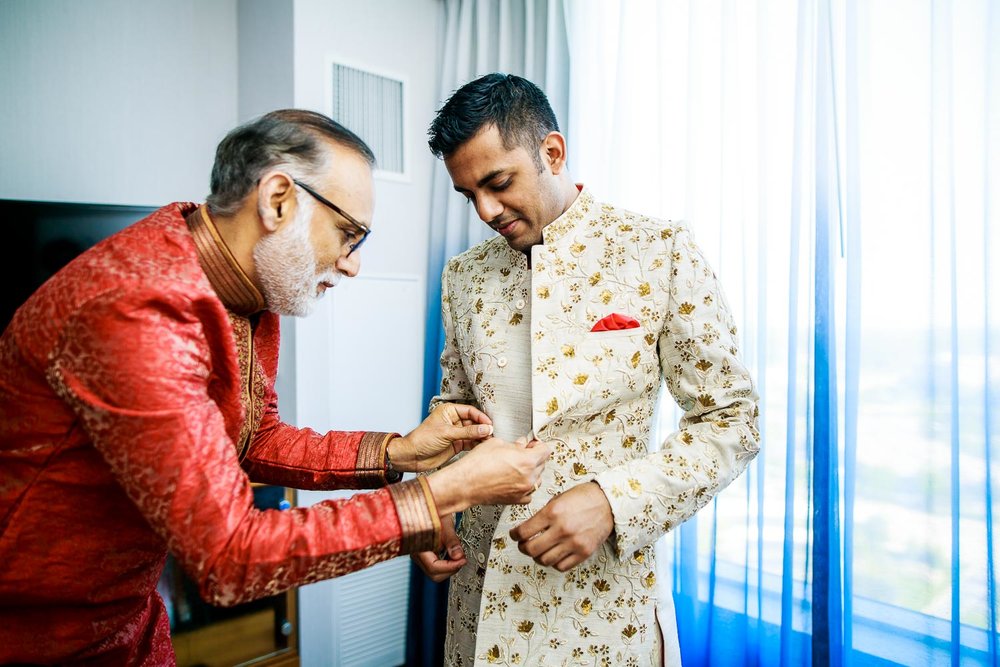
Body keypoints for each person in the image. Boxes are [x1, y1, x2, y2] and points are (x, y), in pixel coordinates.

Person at [0, 109, 551, 665]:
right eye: (348, 234)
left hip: (128, 621)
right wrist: (446, 493)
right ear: (278, 200)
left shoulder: (243, 288)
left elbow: (255, 438)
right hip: (38, 635)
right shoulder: (139, 312)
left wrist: (400, 450)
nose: (353, 265)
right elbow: (229, 560)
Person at [414, 73, 760, 665]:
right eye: (468, 194)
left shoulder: (659, 251)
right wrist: (434, 503)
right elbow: (456, 410)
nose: (485, 210)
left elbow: (733, 421)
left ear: (552, 152)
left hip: (602, 609)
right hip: (481, 592)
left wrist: (613, 500)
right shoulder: (463, 276)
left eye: (498, 183)